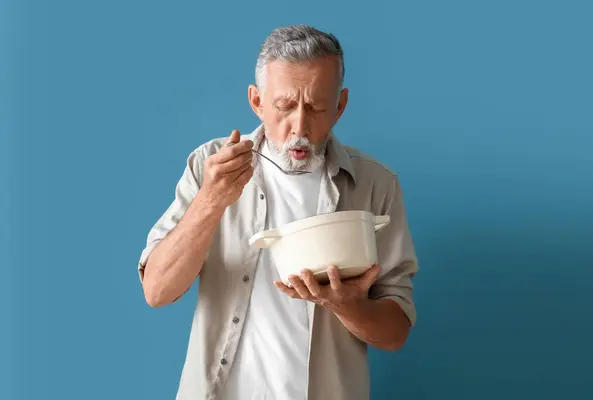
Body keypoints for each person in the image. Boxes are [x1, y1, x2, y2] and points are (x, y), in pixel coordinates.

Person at [138, 24, 418, 400]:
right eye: (285, 106)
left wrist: (346, 306)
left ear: (340, 105)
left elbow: (396, 331)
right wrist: (210, 201)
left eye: (317, 107)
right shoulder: (210, 165)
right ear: (257, 101)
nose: (299, 126)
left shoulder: (375, 185)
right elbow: (157, 290)